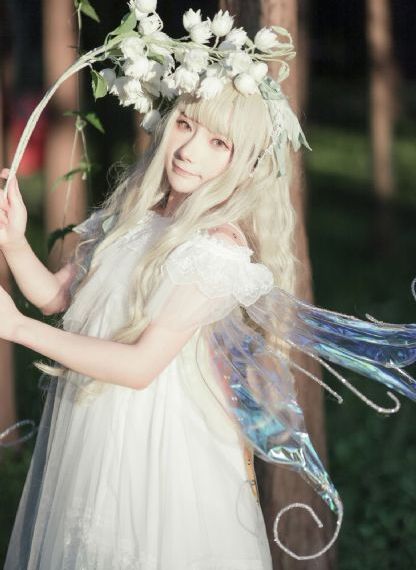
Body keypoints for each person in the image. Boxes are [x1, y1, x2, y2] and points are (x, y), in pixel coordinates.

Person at [2, 3, 416, 568]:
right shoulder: (133, 215)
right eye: (186, 125)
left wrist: (19, 330)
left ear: (243, 163)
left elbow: (140, 366)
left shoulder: (214, 249)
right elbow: (57, 296)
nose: (190, 151)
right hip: (97, 420)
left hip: (158, 441)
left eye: (219, 143)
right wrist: (13, 242)